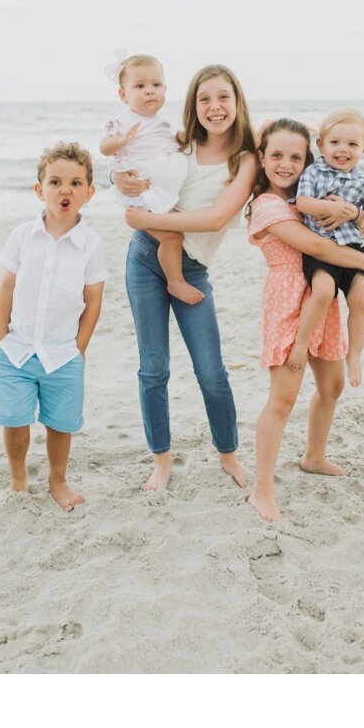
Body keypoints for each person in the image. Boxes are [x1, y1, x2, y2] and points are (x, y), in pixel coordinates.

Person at [117, 64, 257, 492]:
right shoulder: (179, 144)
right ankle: (161, 460)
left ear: (237, 103)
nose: (214, 107)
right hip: (145, 257)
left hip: (192, 267)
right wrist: (117, 177)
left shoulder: (245, 160)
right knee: (153, 368)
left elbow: (216, 218)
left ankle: (228, 454)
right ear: (193, 105)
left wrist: (155, 217)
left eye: (223, 97)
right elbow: (129, 160)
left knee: (212, 371)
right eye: (204, 99)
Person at [240, 118, 364, 522]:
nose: (286, 164)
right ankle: (262, 489)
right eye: (277, 155)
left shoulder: (314, 195)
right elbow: (316, 244)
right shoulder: (267, 205)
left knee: (332, 386)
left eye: (296, 157)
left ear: (309, 160)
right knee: (283, 398)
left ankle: (314, 455)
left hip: (323, 294)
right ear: (262, 159)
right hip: (288, 301)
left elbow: (350, 223)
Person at [0, 143, 104, 513]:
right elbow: (7, 288)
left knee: (60, 424)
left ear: (89, 192)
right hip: (17, 348)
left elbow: (93, 301)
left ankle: (58, 479)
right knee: (16, 423)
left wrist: (79, 348)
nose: (64, 190)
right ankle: (18, 478)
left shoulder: (92, 245)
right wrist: (1, 338)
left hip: (63, 353)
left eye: (75, 183)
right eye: (55, 182)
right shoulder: (23, 235)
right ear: (40, 190)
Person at [289, 108, 364, 387]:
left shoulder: (363, 181)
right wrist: (331, 207)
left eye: (353, 144)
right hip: (321, 248)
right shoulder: (313, 172)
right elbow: (303, 203)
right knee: (322, 291)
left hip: (353, 248)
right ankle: (302, 342)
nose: (343, 150)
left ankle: (354, 354)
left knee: (361, 300)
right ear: (320, 145)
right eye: (335, 142)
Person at [98, 53, 197, 304]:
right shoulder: (122, 120)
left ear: (165, 88)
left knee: (176, 230)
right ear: (123, 94)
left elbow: (166, 145)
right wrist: (121, 141)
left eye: (156, 85)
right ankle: (176, 282)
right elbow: (104, 148)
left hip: (156, 189)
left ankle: (173, 279)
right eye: (140, 86)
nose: (149, 91)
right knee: (172, 236)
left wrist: (182, 139)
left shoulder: (161, 123)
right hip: (140, 191)